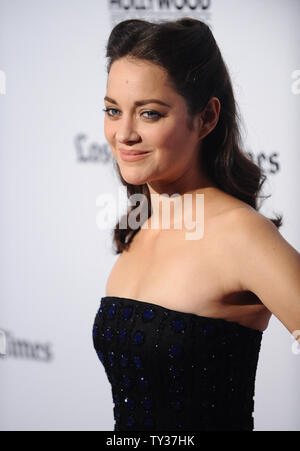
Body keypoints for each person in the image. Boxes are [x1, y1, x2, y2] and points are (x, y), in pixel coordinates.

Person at [92, 17, 300, 431]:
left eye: (149, 113)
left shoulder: (242, 234)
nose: (124, 133)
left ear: (206, 118)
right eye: (113, 110)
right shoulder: (140, 227)